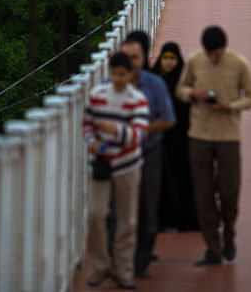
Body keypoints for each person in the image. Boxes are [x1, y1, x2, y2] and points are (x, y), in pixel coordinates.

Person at [176, 26, 251, 265]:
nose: (212, 57)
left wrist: (230, 106)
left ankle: (229, 234)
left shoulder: (239, 63)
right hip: (199, 134)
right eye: (209, 53)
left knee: (229, 192)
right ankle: (213, 249)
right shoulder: (194, 60)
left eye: (216, 53)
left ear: (224, 48)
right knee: (203, 196)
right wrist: (194, 93)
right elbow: (180, 90)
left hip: (228, 135)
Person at [83, 52, 149, 289]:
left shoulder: (137, 99)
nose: (117, 79)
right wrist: (92, 142)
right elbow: (87, 124)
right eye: (113, 74)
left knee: (127, 220)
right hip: (101, 162)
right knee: (95, 214)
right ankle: (100, 266)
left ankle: (124, 270)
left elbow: (139, 134)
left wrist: (115, 130)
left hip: (127, 165)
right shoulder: (97, 95)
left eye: (122, 74)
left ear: (130, 74)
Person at [122, 33, 176, 280]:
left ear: (144, 58)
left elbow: (167, 119)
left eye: (135, 57)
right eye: (126, 57)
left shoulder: (155, 85)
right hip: (118, 153)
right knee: (115, 208)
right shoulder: (109, 83)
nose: (130, 63)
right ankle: (121, 261)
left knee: (146, 207)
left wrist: (138, 132)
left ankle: (141, 260)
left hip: (148, 151)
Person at [153, 42, 200, 231]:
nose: (169, 63)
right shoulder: (155, 80)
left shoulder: (185, 82)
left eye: (172, 59)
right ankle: (162, 219)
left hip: (181, 138)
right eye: (165, 58)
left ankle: (184, 219)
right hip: (160, 137)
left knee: (182, 176)